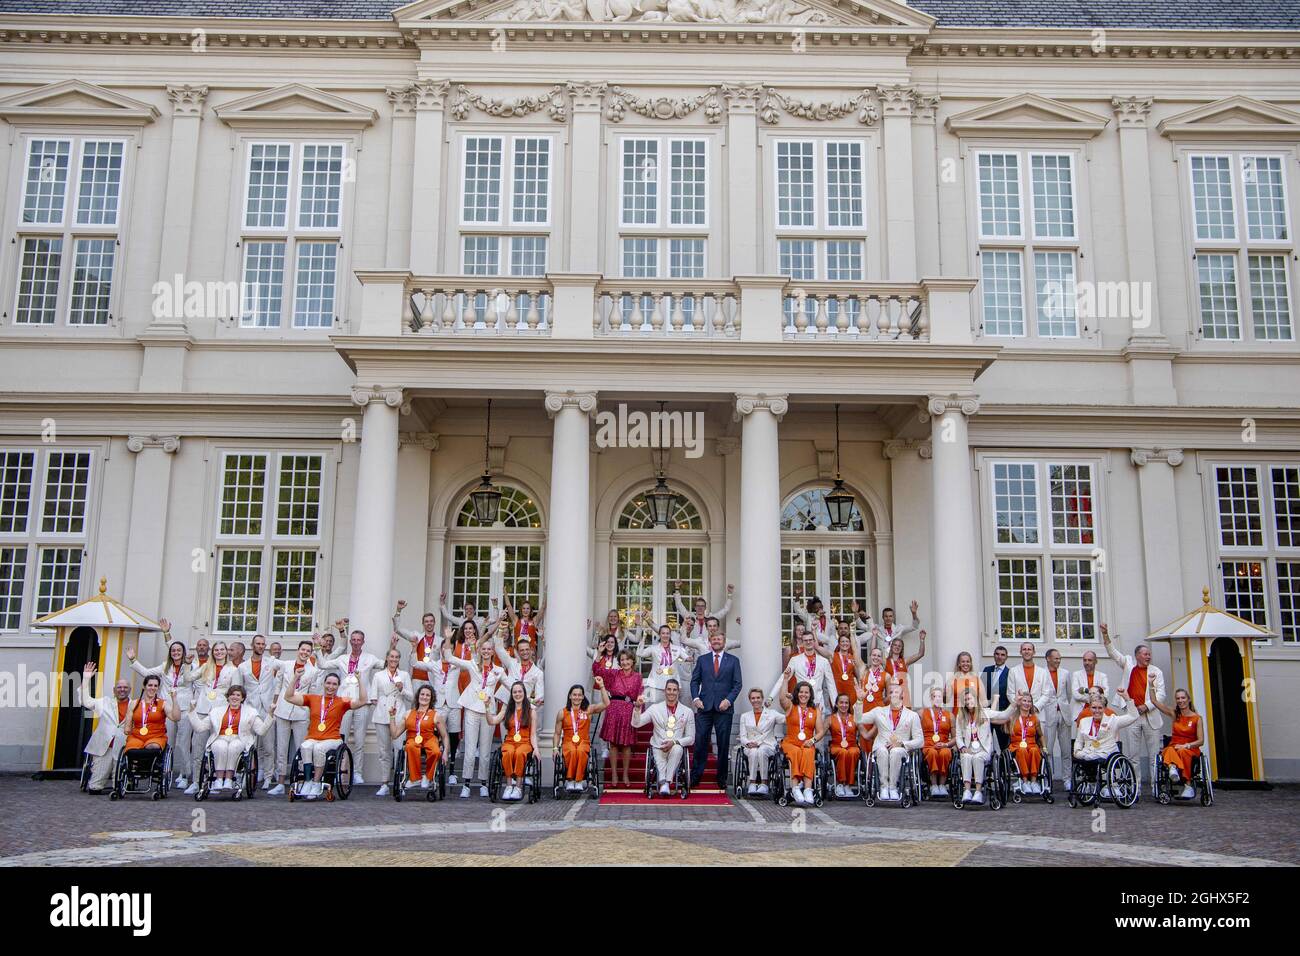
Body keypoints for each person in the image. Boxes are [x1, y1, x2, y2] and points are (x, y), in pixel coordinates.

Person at [125, 628, 194, 788]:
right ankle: (164, 771)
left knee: (183, 744)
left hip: (184, 708)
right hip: (166, 708)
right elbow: (147, 672)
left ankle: (184, 775)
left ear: (183, 652)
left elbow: (196, 683)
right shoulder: (165, 666)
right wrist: (133, 660)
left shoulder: (191, 666)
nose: (176, 653)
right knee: (166, 741)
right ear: (170, 653)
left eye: (179, 650)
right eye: (173, 650)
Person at [279, 671, 363, 799]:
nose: (331, 686)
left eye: (334, 684)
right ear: (324, 684)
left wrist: (359, 680)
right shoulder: (313, 699)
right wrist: (295, 677)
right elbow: (288, 697)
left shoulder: (342, 701)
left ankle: (316, 782)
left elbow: (363, 701)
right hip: (313, 737)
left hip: (333, 739)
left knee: (319, 749)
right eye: (328, 683)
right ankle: (307, 781)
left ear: (338, 686)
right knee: (306, 746)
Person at [1101, 623, 1165, 789]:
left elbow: (1161, 694)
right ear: (1137, 656)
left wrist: (1147, 706)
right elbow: (1112, 653)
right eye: (1145, 654)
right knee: (1133, 755)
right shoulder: (1128, 665)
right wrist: (1105, 634)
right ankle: (1135, 787)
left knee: (1154, 755)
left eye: (1149, 654)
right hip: (1132, 716)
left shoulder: (1156, 671)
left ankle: (1156, 787)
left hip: (1150, 716)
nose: (1148, 656)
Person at [443, 634, 507, 798]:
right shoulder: (472, 664)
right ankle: (466, 784)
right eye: (483, 649)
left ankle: (484, 783)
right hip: (472, 708)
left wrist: (530, 696)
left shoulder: (498, 670)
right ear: (479, 650)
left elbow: (511, 684)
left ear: (493, 651)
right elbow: (450, 658)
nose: (486, 651)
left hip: (488, 712)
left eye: (489, 649)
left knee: (485, 750)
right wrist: (449, 639)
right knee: (470, 749)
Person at [319, 628, 382, 782]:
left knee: (360, 739)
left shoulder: (370, 658)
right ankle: (339, 771)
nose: (355, 643)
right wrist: (316, 647)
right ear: (350, 641)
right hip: (344, 702)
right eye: (353, 640)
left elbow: (386, 664)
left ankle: (357, 772)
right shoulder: (342, 659)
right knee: (341, 737)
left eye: (358, 640)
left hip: (362, 702)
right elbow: (322, 665)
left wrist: (393, 646)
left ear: (363, 642)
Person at [187, 684, 269, 792]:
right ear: (228, 697)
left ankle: (229, 779)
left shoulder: (251, 712)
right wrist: (192, 711)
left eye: (238, 695)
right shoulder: (216, 711)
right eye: (232, 694)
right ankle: (219, 779)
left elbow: (261, 730)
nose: (235, 697)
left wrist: (271, 715)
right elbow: (199, 727)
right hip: (221, 737)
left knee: (234, 747)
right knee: (219, 746)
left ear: (242, 698)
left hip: (240, 738)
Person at [688, 629, 742, 790]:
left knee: (723, 744)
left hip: (724, 708)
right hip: (704, 707)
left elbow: (737, 684)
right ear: (710, 642)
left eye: (719, 639)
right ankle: (696, 776)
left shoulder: (733, 660)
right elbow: (694, 681)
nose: (717, 641)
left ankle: (721, 778)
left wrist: (728, 700)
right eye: (714, 639)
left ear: (724, 641)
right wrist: (696, 699)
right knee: (700, 742)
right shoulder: (703, 660)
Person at [267, 639, 318, 796]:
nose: (304, 653)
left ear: (310, 654)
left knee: (301, 748)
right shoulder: (286, 665)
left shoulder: (313, 671)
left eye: (308, 651)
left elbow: (313, 693)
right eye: (303, 650)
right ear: (298, 650)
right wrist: (274, 705)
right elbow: (278, 685)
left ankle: (301, 781)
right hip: (282, 709)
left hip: (301, 712)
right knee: (281, 747)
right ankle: (281, 782)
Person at [183, 640, 234, 793]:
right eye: (216, 650)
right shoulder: (206, 666)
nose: (219, 652)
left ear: (226, 652)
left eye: (222, 650)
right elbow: (188, 678)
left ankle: (214, 782)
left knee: (216, 749)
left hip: (220, 713)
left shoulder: (234, 670)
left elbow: (236, 691)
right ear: (213, 652)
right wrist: (186, 664)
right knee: (198, 748)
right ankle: (197, 782)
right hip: (203, 710)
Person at [632, 678, 695, 796]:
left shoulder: (687, 712)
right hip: (658, 746)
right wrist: (637, 708)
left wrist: (674, 742)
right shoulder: (654, 709)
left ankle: (665, 782)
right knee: (659, 755)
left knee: (677, 748)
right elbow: (636, 723)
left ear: (678, 692)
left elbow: (691, 738)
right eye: (669, 689)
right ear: (664, 691)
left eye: (674, 690)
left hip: (675, 747)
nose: (671, 692)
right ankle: (664, 782)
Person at [1074, 688, 1139, 799]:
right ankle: (1091, 783)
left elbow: (1133, 716)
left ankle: (1110, 786)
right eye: (1094, 708)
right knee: (1083, 758)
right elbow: (1079, 741)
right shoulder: (1084, 722)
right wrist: (1077, 752)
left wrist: (1127, 698)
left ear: (1104, 709)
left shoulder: (1112, 720)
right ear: (1090, 708)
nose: (1097, 711)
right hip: (1088, 753)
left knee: (1093, 758)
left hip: (1107, 753)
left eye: (1100, 708)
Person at [863, 683, 922, 801]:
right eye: (890, 692)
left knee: (896, 751)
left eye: (896, 692)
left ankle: (893, 787)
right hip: (881, 746)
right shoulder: (878, 711)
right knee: (882, 751)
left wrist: (903, 744)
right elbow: (858, 719)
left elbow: (920, 741)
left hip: (901, 749)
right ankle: (884, 787)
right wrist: (859, 701)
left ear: (902, 695)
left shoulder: (912, 715)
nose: (893, 694)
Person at [953, 689, 1013, 804]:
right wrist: (962, 747)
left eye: (969, 698)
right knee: (966, 757)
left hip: (983, 749)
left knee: (978, 758)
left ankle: (978, 791)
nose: (967, 701)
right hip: (969, 748)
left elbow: (1004, 714)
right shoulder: (960, 717)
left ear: (975, 699)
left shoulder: (985, 713)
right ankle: (967, 791)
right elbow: (958, 736)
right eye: (965, 699)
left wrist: (1015, 703)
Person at [237, 634, 281, 790]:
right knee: (250, 744)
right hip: (250, 708)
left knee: (269, 745)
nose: (261, 646)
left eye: (263, 644)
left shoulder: (271, 662)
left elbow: (287, 666)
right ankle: (251, 772)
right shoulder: (242, 667)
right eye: (258, 643)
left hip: (268, 707)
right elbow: (238, 689)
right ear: (252, 645)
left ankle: (268, 776)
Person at [79, 664, 130, 794]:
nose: (122, 690)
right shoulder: (105, 702)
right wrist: (86, 679)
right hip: (104, 747)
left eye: (125, 687)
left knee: (119, 787)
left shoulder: (134, 705)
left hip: (124, 748)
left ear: (129, 690)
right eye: (119, 687)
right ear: (114, 690)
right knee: (95, 787)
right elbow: (86, 701)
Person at [369, 647, 413, 796]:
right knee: (384, 751)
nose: (394, 660)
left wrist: (401, 689)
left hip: (399, 714)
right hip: (382, 714)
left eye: (396, 657)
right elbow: (373, 697)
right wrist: (383, 703)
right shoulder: (378, 675)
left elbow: (412, 697)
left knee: (400, 749)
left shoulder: (404, 675)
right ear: (387, 658)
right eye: (391, 657)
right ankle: (384, 783)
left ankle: (400, 781)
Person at [388, 685, 448, 791]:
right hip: (413, 738)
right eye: (422, 694)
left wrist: (445, 753)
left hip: (430, 738)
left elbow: (444, 736)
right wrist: (392, 717)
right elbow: (395, 734)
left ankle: (428, 777)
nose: (424, 697)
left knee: (435, 751)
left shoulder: (436, 715)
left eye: (428, 695)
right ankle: (415, 778)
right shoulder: (408, 713)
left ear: (431, 698)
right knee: (410, 746)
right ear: (418, 696)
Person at [775, 680, 824, 805]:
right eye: (801, 692)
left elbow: (820, 731)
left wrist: (813, 740)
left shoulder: (815, 710)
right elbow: (782, 698)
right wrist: (785, 679)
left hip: (807, 743)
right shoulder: (791, 706)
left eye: (806, 692)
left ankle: (808, 789)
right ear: (797, 693)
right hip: (790, 742)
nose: (803, 695)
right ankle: (795, 788)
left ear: (810, 694)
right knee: (796, 752)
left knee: (808, 753)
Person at [555, 679, 610, 791]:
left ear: (583, 696)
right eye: (574, 695)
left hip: (584, 742)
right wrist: (555, 748)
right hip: (568, 742)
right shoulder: (562, 712)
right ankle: (570, 780)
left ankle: (579, 781)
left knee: (580, 751)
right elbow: (557, 733)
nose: (577, 697)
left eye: (580, 695)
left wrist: (602, 686)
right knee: (571, 751)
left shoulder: (588, 710)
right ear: (570, 696)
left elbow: (606, 704)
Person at [600, 649, 643, 788]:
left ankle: (625, 774)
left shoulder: (638, 676)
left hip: (628, 710)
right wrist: (599, 655)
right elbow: (598, 671)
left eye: (627, 659)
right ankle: (613, 774)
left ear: (632, 661)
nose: (625, 662)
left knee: (626, 745)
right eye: (622, 660)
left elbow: (639, 695)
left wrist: (639, 706)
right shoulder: (614, 674)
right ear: (619, 662)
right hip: (614, 708)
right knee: (613, 744)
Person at [485, 681, 534, 801]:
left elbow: (533, 734)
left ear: (524, 693)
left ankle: (518, 787)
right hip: (510, 741)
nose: (517, 694)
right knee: (508, 752)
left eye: (520, 691)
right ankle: (508, 786)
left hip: (525, 742)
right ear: (512, 694)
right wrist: (487, 707)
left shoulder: (531, 710)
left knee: (519, 753)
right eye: (515, 692)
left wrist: (536, 749)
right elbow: (492, 721)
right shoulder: (507, 709)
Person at [1152, 689, 1204, 800]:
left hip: (1190, 749)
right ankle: (1172, 767)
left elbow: (1201, 741)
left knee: (1182, 751)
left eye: (1183, 698)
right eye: (1178, 698)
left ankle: (1188, 784)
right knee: (1169, 750)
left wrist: (1187, 745)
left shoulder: (1197, 718)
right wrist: (1151, 685)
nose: (1180, 700)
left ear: (1188, 699)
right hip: (1174, 746)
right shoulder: (1175, 714)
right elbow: (1154, 701)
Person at [771, 630, 835, 711]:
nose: (808, 642)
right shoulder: (795, 660)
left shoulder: (824, 661)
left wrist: (836, 706)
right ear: (802, 642)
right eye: (805, 640)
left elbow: (831, 684)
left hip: (818, 704)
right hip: (801, 703)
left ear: (814, 641)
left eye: (810, 640)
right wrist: (771, 697)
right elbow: (783, 678)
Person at [737, 687, 783, 796]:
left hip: (767, 744)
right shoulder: (744, 716)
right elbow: (742, 736)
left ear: (762, 699)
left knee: (762, 750)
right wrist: (748, 743)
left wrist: (790, 703)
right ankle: (752, 783)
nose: (755, 700)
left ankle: (764, 783)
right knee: (753, 751)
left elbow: (788, 718)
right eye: (753, 698)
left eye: (758, 697)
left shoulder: (772, 713)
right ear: (750, 700)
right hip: (750, 746)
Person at [1000, 691, 1045, 794]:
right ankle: (1025, 781)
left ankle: (1033, 782)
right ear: (1020, 702)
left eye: (1029, 701)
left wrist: (1045, 748)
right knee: (1022, 750)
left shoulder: (1035, 719)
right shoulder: (1012, 717)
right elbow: (1003, 726)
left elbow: (1041, 735)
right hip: (1016, 746)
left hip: (1032, 745)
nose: (1027, 703)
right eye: (1024, 701)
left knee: (1034, 750)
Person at [1041, 648, 1073, 792]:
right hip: (1048, 714)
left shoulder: (1066, 673)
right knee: (1048, 749)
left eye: (1059, 658)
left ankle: (1067, 779)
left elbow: (1069, 694)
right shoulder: (1041, 673)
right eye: (1056, 658)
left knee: (1066, 750)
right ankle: (1048, 779)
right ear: (1048, 658)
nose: (1058, 661)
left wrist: (1064, 706)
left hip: (1064, 713)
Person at [638, 621, 690, 704]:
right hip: (655, 685)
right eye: (663, 633)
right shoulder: (653, 648)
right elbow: (639, 653)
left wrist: (692, 657)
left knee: (670, 712)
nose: (665, 635)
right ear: (659, 635)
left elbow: (687, 658)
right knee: (653, 711)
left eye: (667, 633)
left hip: (672, 687)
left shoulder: (677, 649)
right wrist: (644, 637)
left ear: (670, 635)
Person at [392, 600, 440, 691]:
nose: (429, 623)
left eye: (431, 621)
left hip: (432, 679)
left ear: (434, 623)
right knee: (415, 704)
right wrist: (398, 611)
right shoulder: (416, 636)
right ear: (423, 623)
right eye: (426, 621)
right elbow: (397, 629)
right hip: (416, 678)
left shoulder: (440, 641)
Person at [492, 624, 544, 707]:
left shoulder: (538, 673)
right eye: (522, 650)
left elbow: (539, 696)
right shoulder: (512, 663)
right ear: (518, 652)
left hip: (524, 707)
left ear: (531, 650)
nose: (525, 652)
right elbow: (499, 649)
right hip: (506, 704)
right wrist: (501, 630)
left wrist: (533, 703)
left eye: (527, 649)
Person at [673, 582, 734, 647]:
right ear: (695, 607)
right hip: (692, 649)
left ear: (705, 608)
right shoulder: (690, 617)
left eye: (702, 606)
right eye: (698, 606)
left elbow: (725, 610)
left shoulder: (711, 619)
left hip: (707, 649)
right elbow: (679, 606)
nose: (700, 608)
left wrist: (730, 594)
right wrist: (677, 589)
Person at [920, 685, 954, 797]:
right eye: (935, 696)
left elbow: (955, 737)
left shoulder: (950, 715)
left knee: (945, 753)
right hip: (928, 745)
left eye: (940, 696)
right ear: (931, 698)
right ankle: (934, 785)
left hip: (944, 745)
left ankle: (942, 785)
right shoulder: (921, 713)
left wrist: (946, 744)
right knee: (932, 753)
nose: (938, 698)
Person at [827, 692, 860, 798]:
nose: (844, 705)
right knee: (843, 752)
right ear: (836, 704)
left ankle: (848, 785)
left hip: (852, 746)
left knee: (853, 752)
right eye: (841, 702)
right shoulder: (830, 718)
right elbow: (820, 733)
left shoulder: (854, 718)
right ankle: (840, 783)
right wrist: (812, 740)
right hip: (836, 747)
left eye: (846, 703)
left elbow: (865, 734)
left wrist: (876, 729)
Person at [822, 623, 864, 707]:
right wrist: (813, 631)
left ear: (850, 644)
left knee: (851, 710)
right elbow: (818, 648)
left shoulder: (852, 657)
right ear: (839, 643)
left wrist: (860, 686)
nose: (845, 643)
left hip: (850, 688)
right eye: (842, 641)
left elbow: (858, 675)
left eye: (847, 641)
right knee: (837, 709)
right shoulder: (833, 655)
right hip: (836, 687)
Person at [882, 629, 926, 707]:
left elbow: (920, 654)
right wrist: (875, 636)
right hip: (891, 695)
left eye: (899, 646)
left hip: (904, 695)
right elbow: (873, 654)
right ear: (891, 647)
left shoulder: (905, 661)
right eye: (895, 645)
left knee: (906, 718)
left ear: (902, 648)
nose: (897, 647)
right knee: (891, 717)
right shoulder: (885, 661)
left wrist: (922, 640)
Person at [1008, 641, 1052, 713]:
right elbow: (1010, 693)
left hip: (1038, 713)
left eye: (1029, 649)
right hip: (1019, 713)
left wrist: (1035, 707)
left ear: (1034, 652)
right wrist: (1021, 706)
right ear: (1020, 652)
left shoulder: (1042, 672)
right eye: (1024, 649)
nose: (1026, 651)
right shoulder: (1013, 671)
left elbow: (1046, 694)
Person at [981, 645, 1012, 750]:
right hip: (987, 713)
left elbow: (1011, 695)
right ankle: (988, 766)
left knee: (1004, 745)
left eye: (1002, 655)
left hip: (1002, 715)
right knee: (985, 743)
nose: (999, 657)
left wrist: (1008, 716)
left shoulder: (1010, 673)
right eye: (997, 654)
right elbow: (981, 690)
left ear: (1006, 657)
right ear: (994, 655)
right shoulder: (987, 669)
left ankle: (1004, 766)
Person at [502, 585, 546, 655]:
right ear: (521, 610)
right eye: (524, 608)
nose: (526, 610)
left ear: (531, 610)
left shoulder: (534, 621)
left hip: (531, 653)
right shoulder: (516, 620)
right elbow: (508, 606)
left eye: (528, 608)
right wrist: (505, 592)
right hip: (518, 653)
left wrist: (545, 593)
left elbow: (543, 607)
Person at [1069, 649, 1110, 724]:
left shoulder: (1102, 676)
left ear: (1096, 661)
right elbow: (1076, 695)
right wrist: (1095, 698)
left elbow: (1106, 694)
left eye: (1089, 660)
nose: (1086, 663)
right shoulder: (1076, 675)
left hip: (1098, 714)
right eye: (1084, 660)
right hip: (1080, 713)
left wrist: (1089, 698)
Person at [859, 646, 889, 714]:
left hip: (879, 711)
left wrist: (880, 703)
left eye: (879, 656)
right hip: (864, 709)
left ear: (881, 659)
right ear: (870, 657)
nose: (876, 657)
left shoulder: (886, 676)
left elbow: (889, 696)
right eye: (874, 655)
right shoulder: (863, 672)